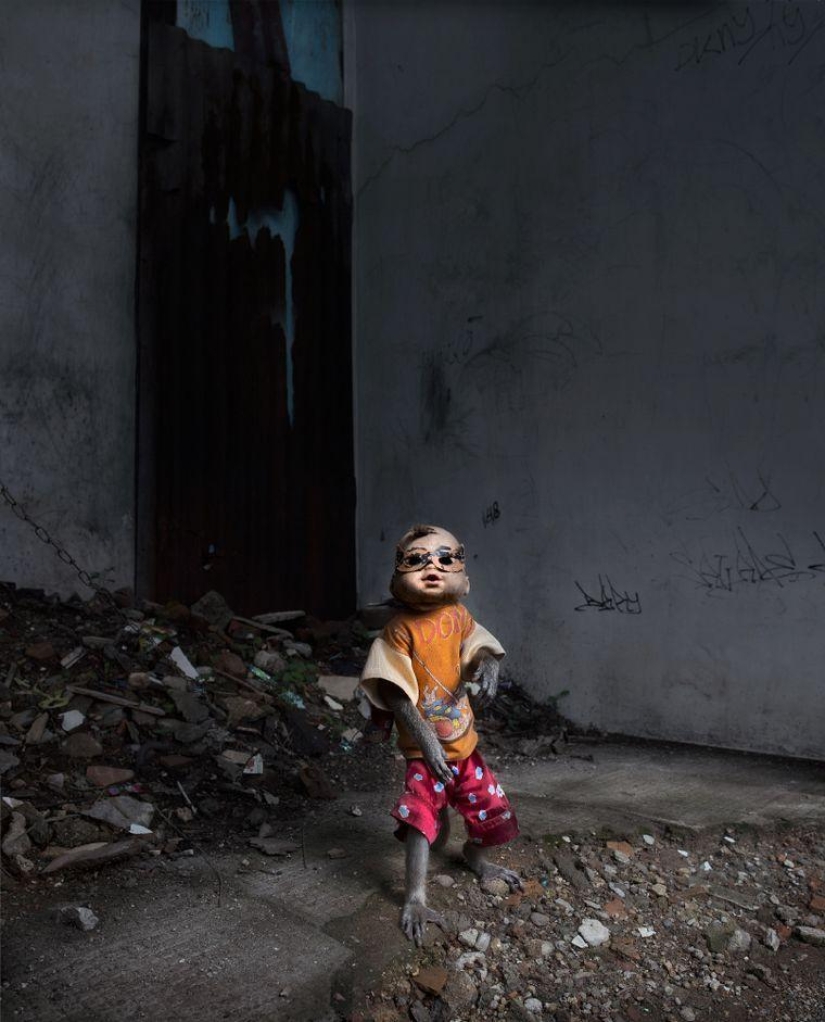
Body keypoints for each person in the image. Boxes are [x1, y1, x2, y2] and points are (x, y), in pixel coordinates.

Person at [360, 523, 521, 944]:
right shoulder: (399, 630)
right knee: (421, 817)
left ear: (463, 579)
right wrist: (426, 741)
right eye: (416, 560)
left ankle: (476, 856)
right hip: (423, 747)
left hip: (464, 746)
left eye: (445, 558)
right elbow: (395, 696)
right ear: (397, 580)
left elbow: (480, 647)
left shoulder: (459, 616)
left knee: (489, 805)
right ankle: (415, 894)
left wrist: (489, 666)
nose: (433, 565)